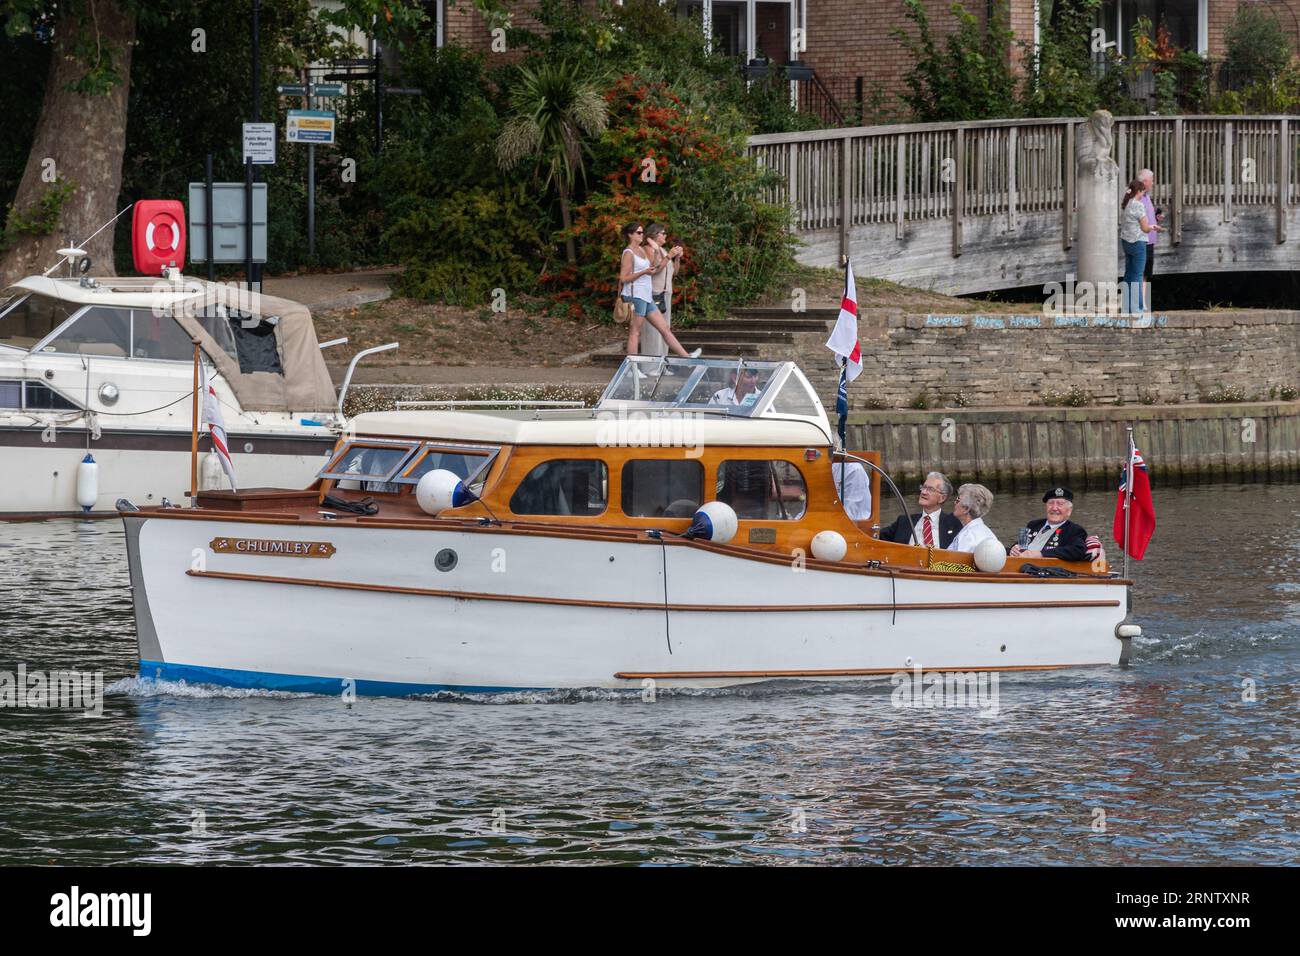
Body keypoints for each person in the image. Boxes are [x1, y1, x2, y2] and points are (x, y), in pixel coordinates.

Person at [619, 222, 699, 359]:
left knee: (664, 328)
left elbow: (654, 269)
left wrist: (657, 251)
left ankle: (687, 357)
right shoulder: (628, 252)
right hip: (636, 295)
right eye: (638, 233)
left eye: (643, 232)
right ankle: (633, 368)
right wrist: (643, 272)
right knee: (635, 332)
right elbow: (623, 278)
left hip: (646, 296)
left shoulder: (642, 251)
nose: (642, 235)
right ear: (630, 235)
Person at [879, 471, 960, 548]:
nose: (924, 492)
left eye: (930, 489)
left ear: (942, 498)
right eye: (924, 487)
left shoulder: (954, 523)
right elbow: (875, 537)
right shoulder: (904, 521)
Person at [1009, 486, 1088, 562]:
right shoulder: (1032, 524)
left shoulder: (1075, 530)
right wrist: (1013, 549)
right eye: (1050, 503)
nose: (1054, 508)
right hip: (1017, 564)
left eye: (1060, 504)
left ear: (1069, 510)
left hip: (1043, 570)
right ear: (1046, 507)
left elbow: (1077, 550)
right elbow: (1020, 545)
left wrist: (1041, 554)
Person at [1119, 178, 1162, 315]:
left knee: (1128, 274)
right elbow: (1144, 228)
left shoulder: (1126, 204)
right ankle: (1137, 308)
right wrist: (1153, 228)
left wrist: (1150, 226)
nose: (1144, 193)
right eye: (1143, 191)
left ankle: (1126, 306)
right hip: (1138, 243)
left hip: (1126, 242)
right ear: (1139, 191)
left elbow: (1133, 224)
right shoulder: (1138, 205)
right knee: (1138, 275)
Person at [642, 223, 683, 357]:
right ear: (655, 234)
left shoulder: (664, 250)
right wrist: (668, 257)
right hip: (654, 293)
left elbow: (675, 273)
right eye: (663, 233)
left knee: (666, 328)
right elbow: (654, 270)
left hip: (666, 292)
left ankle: (662, 362)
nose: (665, 235)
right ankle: (651, 365)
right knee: (653, 331)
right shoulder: (648, 249)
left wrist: (677, 258)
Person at [1138, 168, 1162, 313]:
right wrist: (1151, 225)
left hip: (1149, 240)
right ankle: (1138, 303)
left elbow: (1146, 214)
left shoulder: (1146, 196)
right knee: (1139, 272)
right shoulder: (1137, 195)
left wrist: (1156, 216)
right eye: (1151, 181)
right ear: (1145, 181)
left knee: (1145, 273)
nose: (1153, 183)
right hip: (1142, 239)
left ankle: (1143, 304)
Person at [948, 483, 998, 552]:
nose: (954, 502)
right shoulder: (987, 532)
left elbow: (957, 561)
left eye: (957, 500)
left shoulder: (969, 536)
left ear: (966, 509)